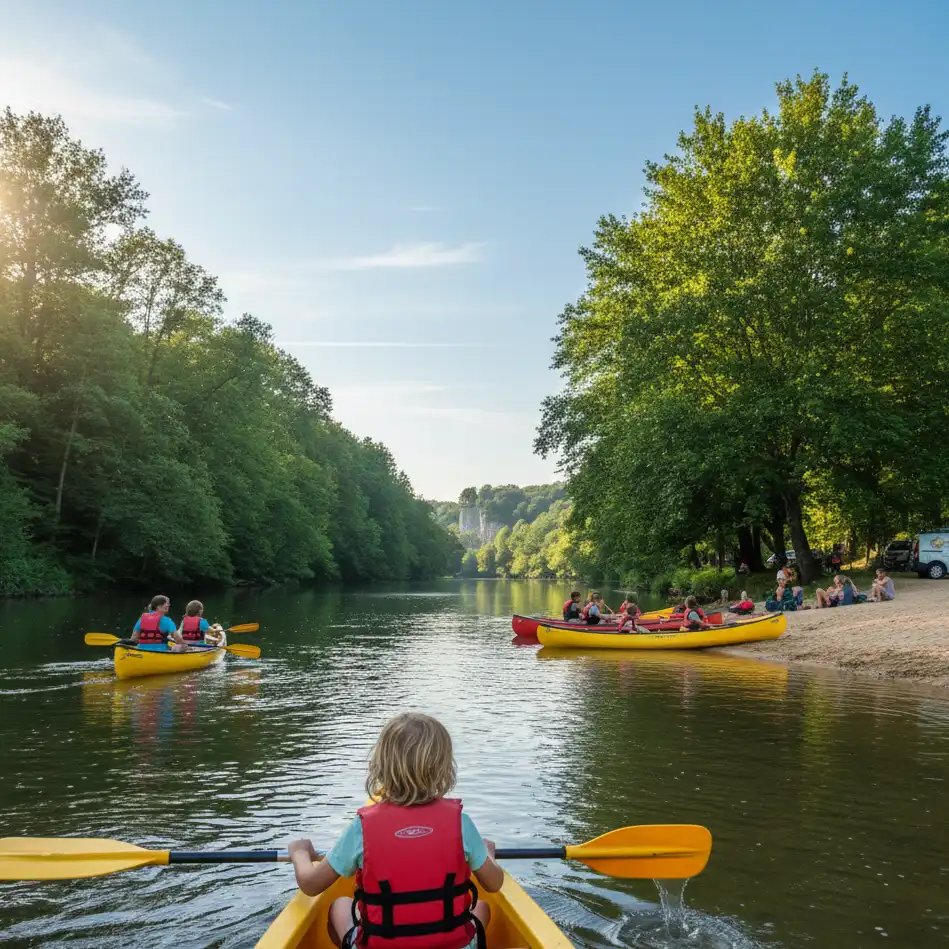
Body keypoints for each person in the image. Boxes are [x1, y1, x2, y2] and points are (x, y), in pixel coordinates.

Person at [288, 713, 504, 949]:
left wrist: (300, 852)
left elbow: (310, 884)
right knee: (481, 907)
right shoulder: (461, 824)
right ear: (444, 769)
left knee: (339, 905)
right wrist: (487, 853)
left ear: (380, 767)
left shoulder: (362, 829)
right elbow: (494, 883)